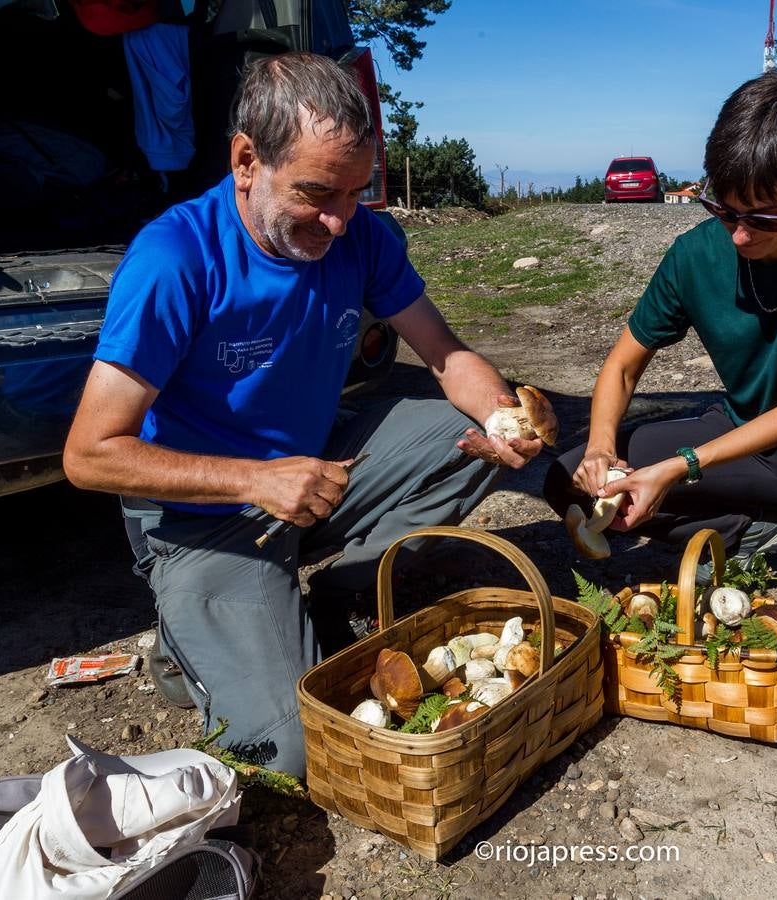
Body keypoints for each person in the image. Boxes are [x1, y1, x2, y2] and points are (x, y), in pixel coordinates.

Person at [64, 52, 544, 777]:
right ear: (247, 160)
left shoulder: (361, 236)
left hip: (315, 473)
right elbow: (90, 453)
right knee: (289, 751)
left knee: (464, 436)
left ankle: (336, 592)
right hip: (202, 521)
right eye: (319, 193)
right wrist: (257, 482)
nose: (340, 220)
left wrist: (507, 415)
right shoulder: (175, 258)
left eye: (357, 192)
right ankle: (187, 640)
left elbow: (444, 354)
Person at [544, 67, 777, 667]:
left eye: (765, 217)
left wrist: (678, 465)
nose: (741, 235)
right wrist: (598, 448)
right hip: (749, 439)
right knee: (568, 473)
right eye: (724, 210)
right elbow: (621, 366)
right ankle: (746, 532)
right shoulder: (696, 254)